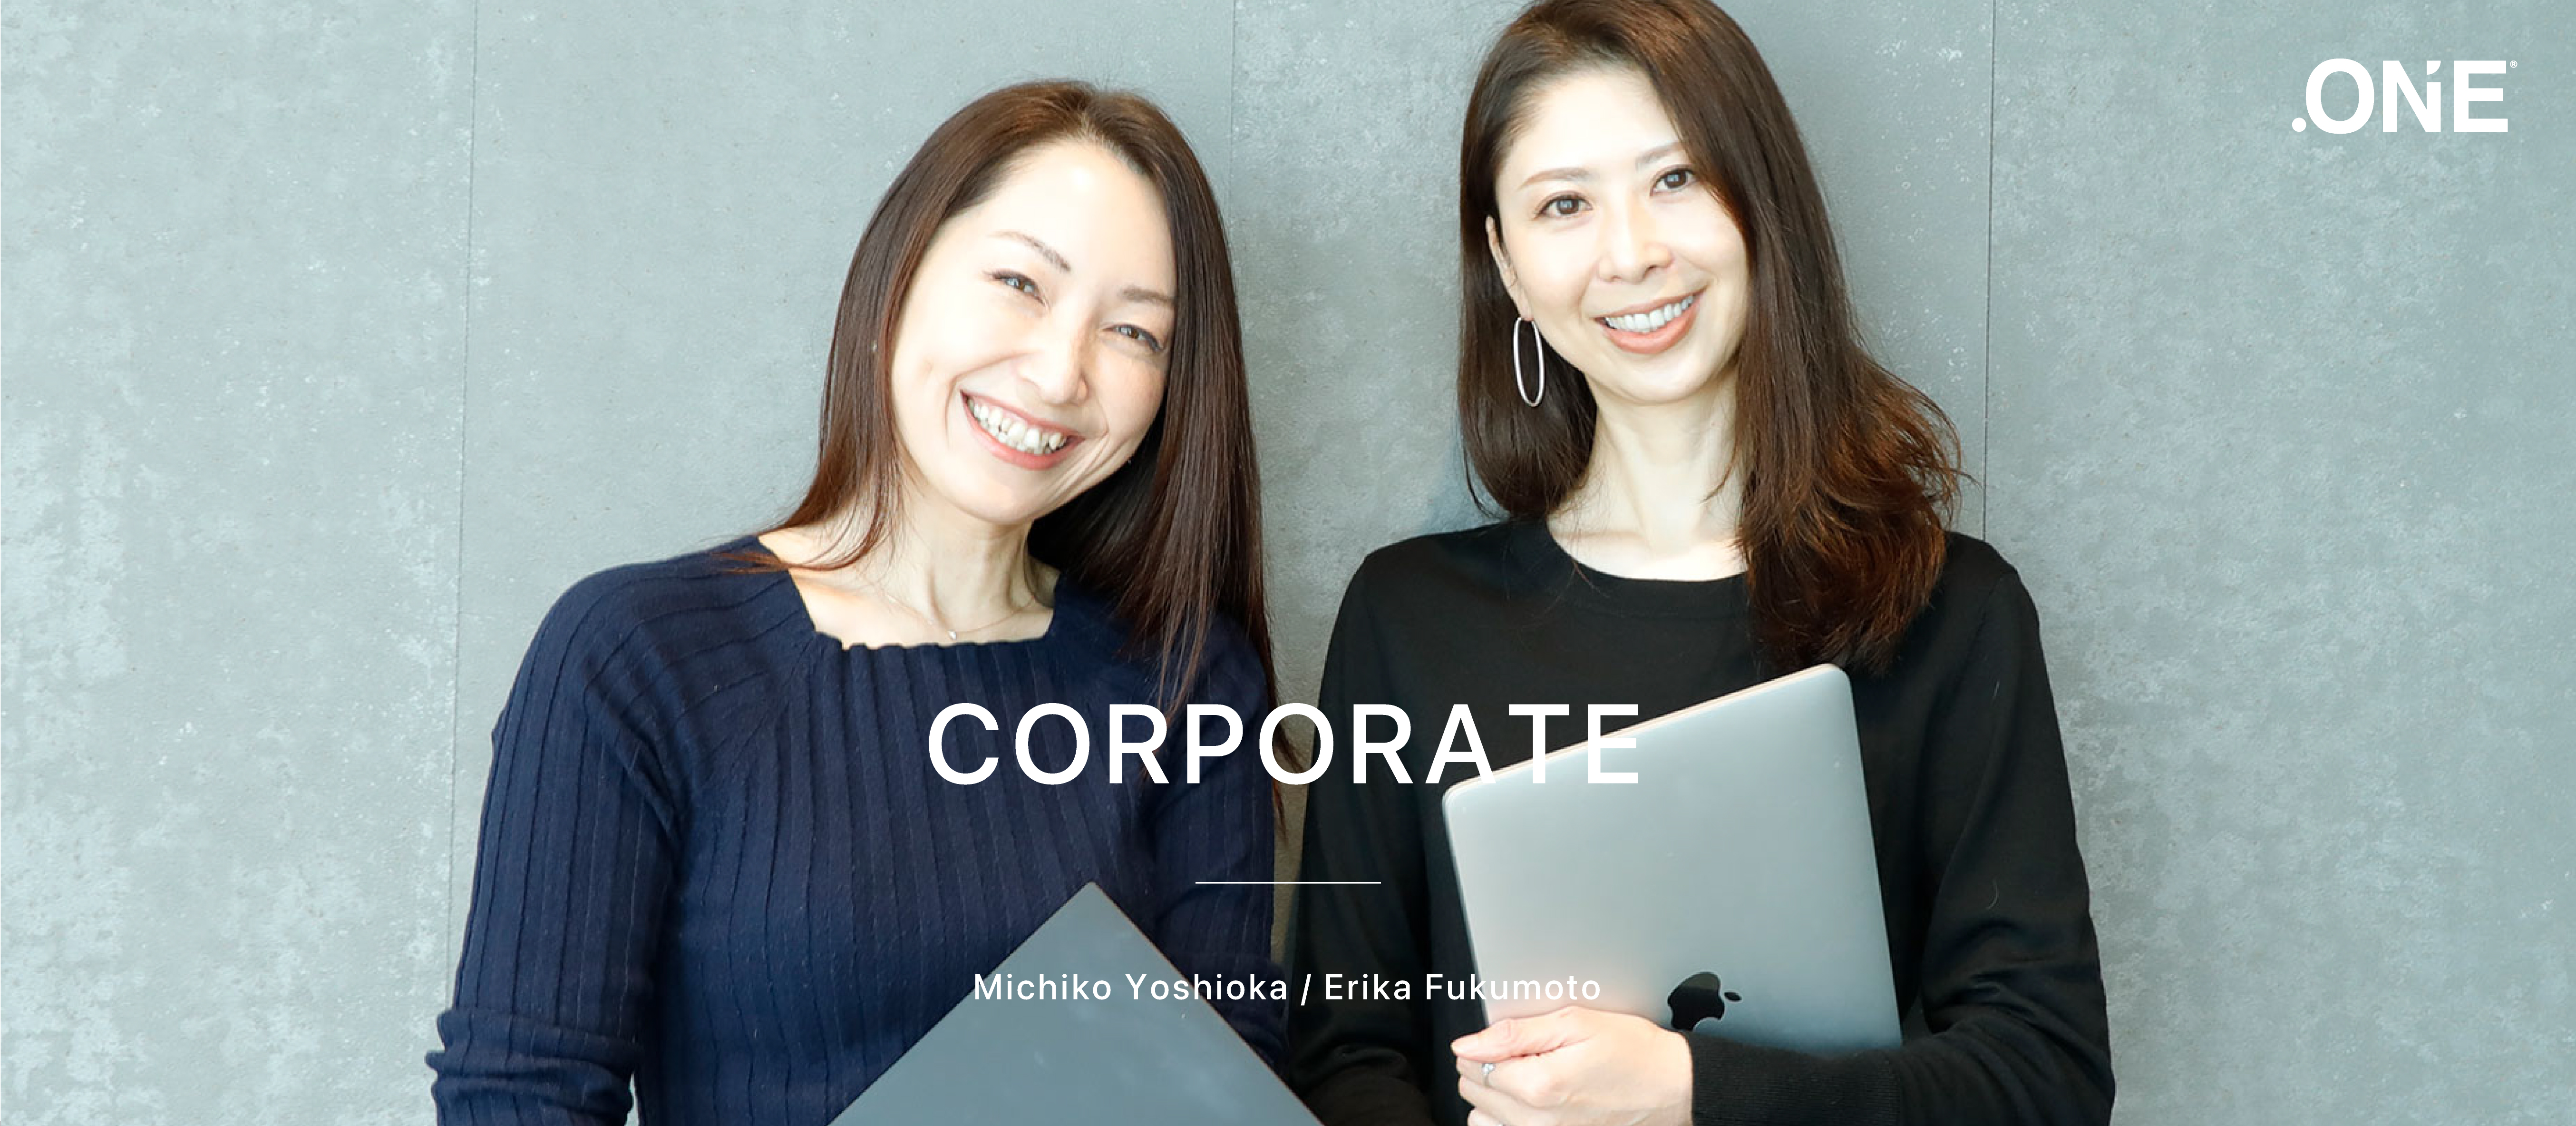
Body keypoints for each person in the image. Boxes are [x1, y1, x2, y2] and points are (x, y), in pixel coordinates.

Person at [1285, 2, 2113, 1124]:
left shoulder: (1947, 611)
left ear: (1759, 200)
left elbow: (2045, 1075)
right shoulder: (1410, 618)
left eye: (1675, 179)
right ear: (1507, 265)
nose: (1632, 252)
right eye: (1565, 204)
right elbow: (1345, 1054)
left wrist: (1687, 1086)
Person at [428, 80, 1284, 1124]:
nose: (1062, 372)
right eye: (1020, 282)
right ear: (899, 274)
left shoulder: (1191, 683)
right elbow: (517, 1096)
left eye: (1136, 333)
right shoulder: (635, 655)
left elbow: (1228, 1089)